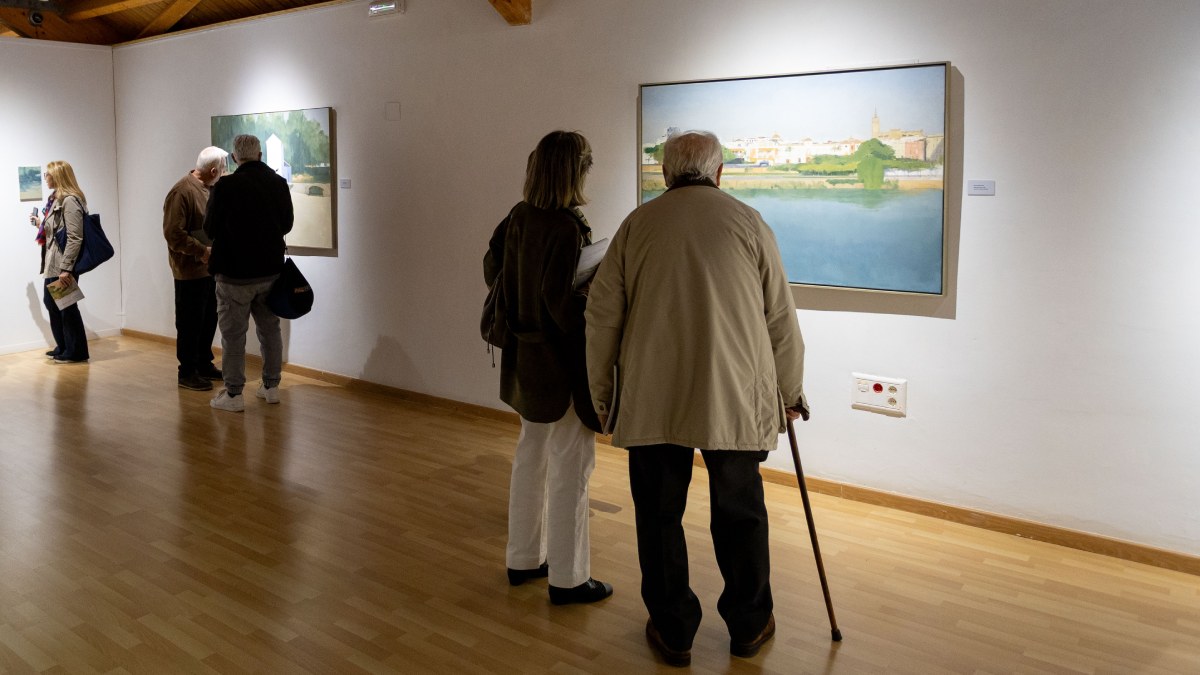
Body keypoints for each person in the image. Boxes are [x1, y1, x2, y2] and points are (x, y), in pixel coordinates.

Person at [584, 131, 809, 666]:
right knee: (741, 514)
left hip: (654, 396)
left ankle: (674, 629)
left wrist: (602, 396)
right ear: (719, 172)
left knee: (659, 516)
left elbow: (601, 317)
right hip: (732, 394)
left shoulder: (637, 225)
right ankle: (750, 625)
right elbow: (781, 318)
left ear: (665, 173)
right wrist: (790, 392)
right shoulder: (748, 222)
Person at [483, 130, 612, 606]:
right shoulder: (565, 227)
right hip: (559, 366)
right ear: (573, 171)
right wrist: (592, 288)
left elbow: (491, 269)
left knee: (529, 456)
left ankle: (522, 559)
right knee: (571, 469)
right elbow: (563, 309)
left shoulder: (518, 216)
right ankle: (570, 578)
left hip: (522, 361)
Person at [202, 134, 293, 412]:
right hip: (270, 271)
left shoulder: (226, 186)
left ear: (234, 157)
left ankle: (233, 394)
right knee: (270, 329)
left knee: (233, 335)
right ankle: (271, 386)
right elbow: (287, 224)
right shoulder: (277, 183)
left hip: (234, 274)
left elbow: (209, 229)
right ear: (261, 155)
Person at [164, 146, 228, 391]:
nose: (224, 174)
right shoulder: (181, 192)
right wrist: (201, 251)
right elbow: (173, 234)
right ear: (213, 170)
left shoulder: (209, 189)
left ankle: (203, 362)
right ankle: (187, 371)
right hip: (189, 270)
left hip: (208, 269)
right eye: (222, 170)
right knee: (190, 322)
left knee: (208, 318)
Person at [33, 160, 91, 364]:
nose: (45, 178)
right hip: (53, 262)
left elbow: (75, 236)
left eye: (47, 174)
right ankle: (64, 345)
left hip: (63, 264)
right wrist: (41, 224)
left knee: (66, 305)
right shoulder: (55, 200)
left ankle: (76, 351)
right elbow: (57, 230)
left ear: (57, 175)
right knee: (52, 303)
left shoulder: (70, 200)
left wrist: (67, 268)